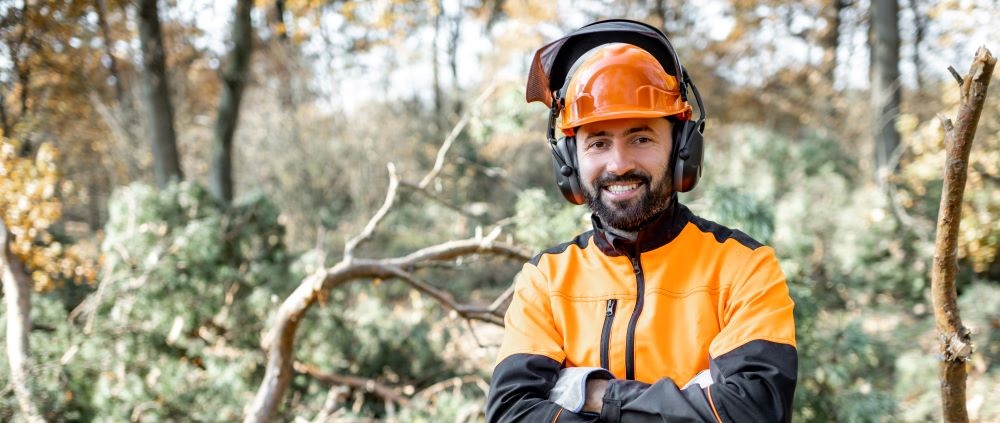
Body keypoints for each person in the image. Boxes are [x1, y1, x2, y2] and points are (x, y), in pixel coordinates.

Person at [486, 20, 797, 423]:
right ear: (569, 162)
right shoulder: (545, 279)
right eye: (598, 142)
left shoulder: (745, 268)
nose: (619, 164)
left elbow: (754, 412)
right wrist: (694, 398)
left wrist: (589, 392)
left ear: (682, 149)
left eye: (641, 138)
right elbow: (511, 412)